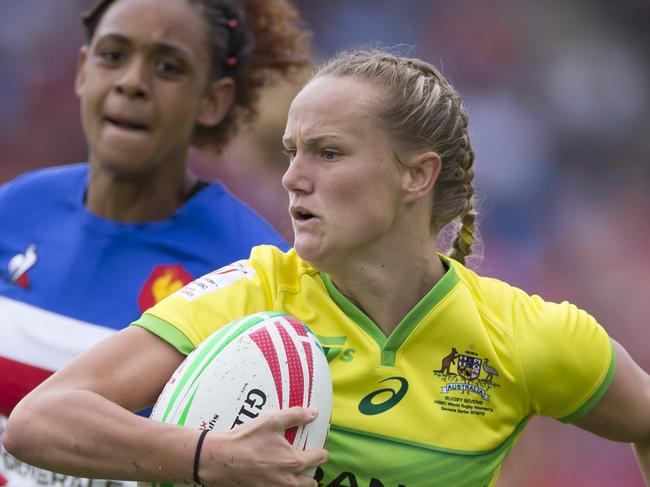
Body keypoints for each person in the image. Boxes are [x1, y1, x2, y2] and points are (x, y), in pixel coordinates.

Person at [5, 48, 650, 487]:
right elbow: (40, 419)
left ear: (416, 175)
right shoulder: (251, 294)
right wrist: (212, 459)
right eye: (291, 153)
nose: (292, 178)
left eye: (328, 153)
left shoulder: (528, 336)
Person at [0, 0, 310, 485]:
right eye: (113, 55)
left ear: (215, 100)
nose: (131, 82)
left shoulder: (254, 269)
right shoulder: (16, 208)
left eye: (168, 66)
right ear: (82, 71)